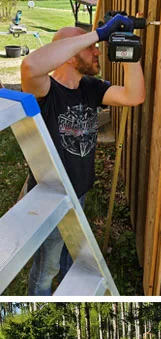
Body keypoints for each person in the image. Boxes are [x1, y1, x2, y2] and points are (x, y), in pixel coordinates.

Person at [21, 15, 145, 295]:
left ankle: (67, 292)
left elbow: (134, 96)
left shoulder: (91, 88)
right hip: (51, 197)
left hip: (80, 190)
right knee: (46, 269)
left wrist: (132, 52)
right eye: (90, 47)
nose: (97, 50)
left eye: (96, 44)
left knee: (69, 258)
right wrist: (98, 33)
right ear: (66, 55)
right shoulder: (46, 91)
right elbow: (30, 65)